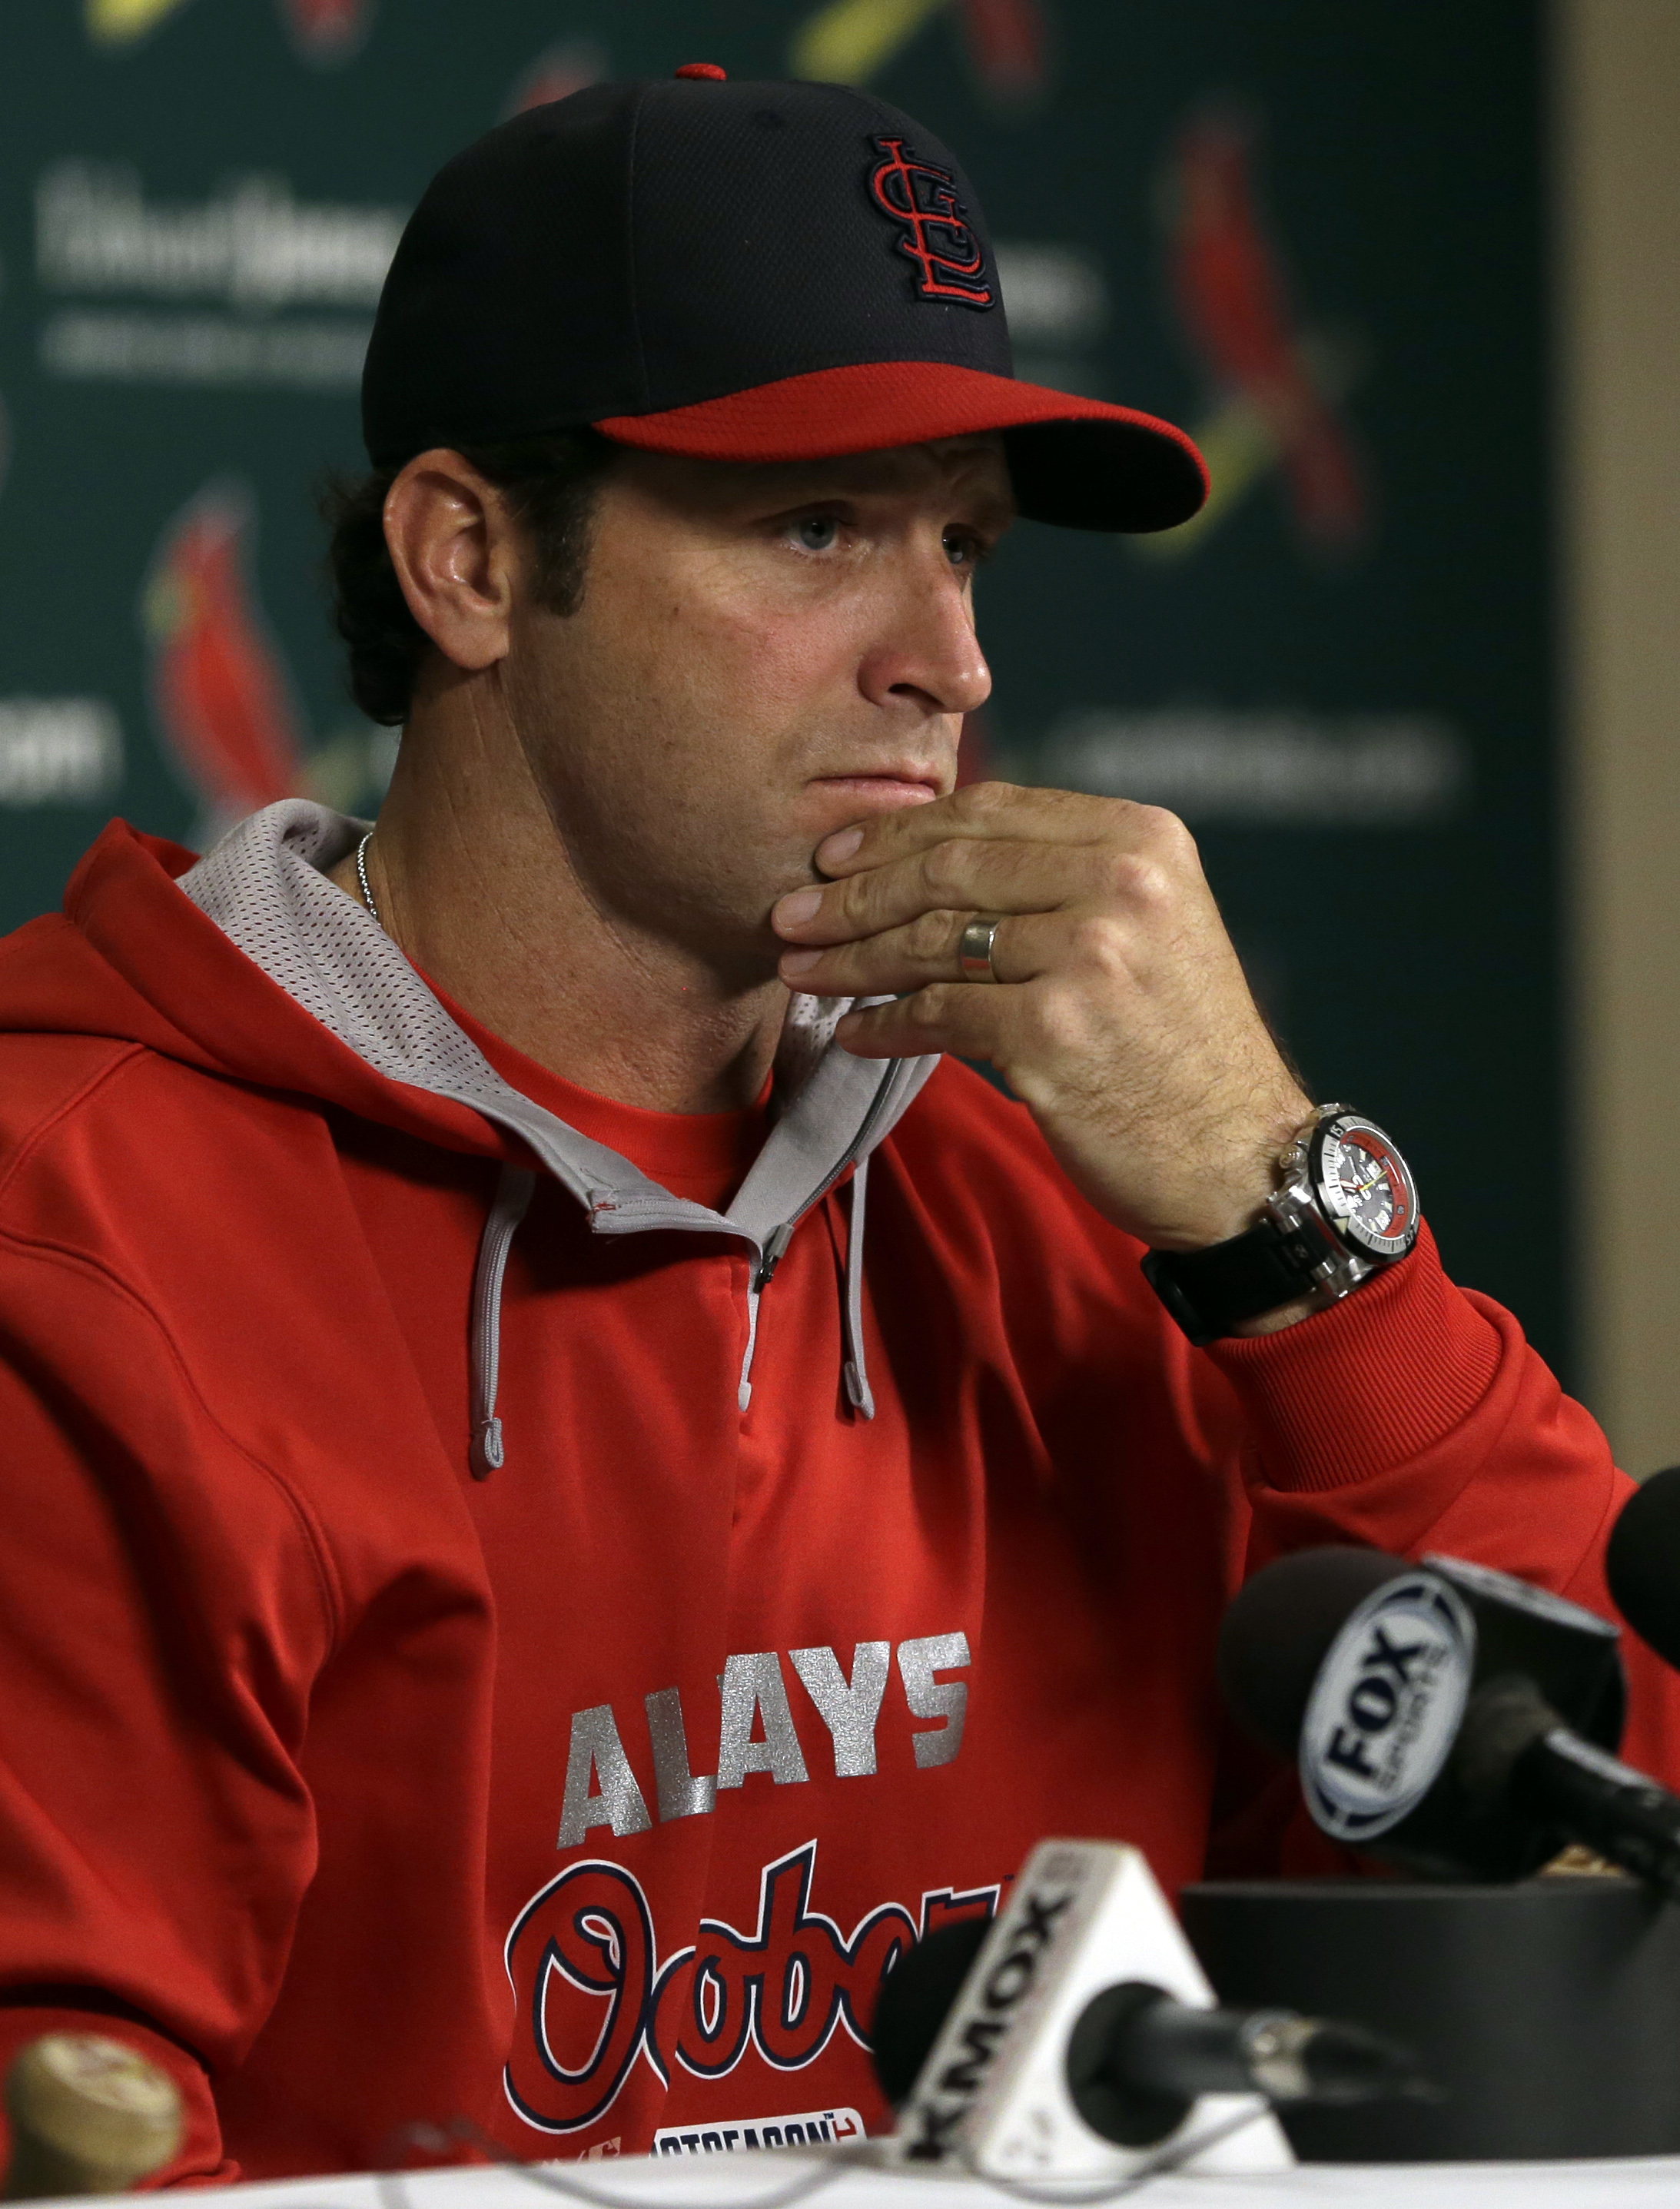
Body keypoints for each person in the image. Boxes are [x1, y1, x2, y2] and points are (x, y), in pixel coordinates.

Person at [0, 68, 1670, 2182]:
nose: (949, 657)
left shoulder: (1054, 1178)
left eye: (961, 540)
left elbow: (1601, 1867)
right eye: (818, 527)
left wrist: (1280, 1228)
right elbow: (79, 2151)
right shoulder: (77, 1231)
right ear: (474, 559)